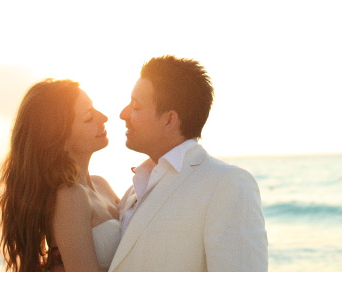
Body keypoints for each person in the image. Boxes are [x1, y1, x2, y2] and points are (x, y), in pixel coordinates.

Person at [109, 55, 268, 272]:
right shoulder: (134, 189)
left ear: (169, 120)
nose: (123, 114)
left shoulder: (226, 184)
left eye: (136, 106)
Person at [0, 78, 121, 271]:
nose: (103, 118)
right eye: (88, 117)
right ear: (60, 138)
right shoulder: (69, 196)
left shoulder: (101, 184)